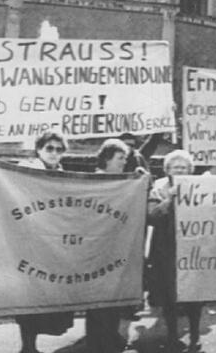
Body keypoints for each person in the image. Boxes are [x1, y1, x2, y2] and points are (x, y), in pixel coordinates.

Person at [0, 131, 75, 353]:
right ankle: (28, 346)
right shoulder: (29, 167)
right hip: (27, 241)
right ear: (39, 149)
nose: (54, 153)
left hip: (52, 244)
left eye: (59, 149)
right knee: (27, 295)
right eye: (49, 148)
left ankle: (31, 345)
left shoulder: (64, 174)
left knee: (48, 294)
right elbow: (5, 176)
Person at [148, 150, 204, 352]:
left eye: (184, 167)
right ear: (167, 169)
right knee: (169, 295)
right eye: (175, 166)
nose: (180, 170)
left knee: (194, 295)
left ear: (190, 169)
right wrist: (169, 199)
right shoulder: (158, 186)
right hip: (166, 249)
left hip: (192, 248)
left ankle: (195, 335)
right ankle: (172, 334)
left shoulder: (200, 187)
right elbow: (152, 216)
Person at [86, 138, 132, 353]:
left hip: (115, 246)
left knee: (114, 294)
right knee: (96, 296)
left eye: (125, 158)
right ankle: (96, 341)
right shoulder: (92, 180)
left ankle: (111, 336)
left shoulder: (123, 181)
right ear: (107, 158)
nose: (124, 162)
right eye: (120, 158)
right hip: (95, 247)